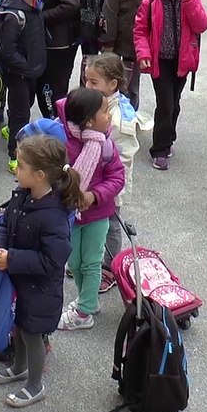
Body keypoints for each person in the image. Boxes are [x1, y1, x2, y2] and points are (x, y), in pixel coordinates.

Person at [0, 134, 83, 408]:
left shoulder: (54, 216)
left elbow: (52, 261)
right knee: (18, 327)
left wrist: (12, 258)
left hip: (41, 291)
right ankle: (19, 367)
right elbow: (5, 223)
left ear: (39, 175)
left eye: (21, 166)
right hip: (20, 282)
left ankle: (35, 385)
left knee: (32, 334)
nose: (16, 168)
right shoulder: (22, 194)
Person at [56, 87, 125, 332]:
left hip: (97, 214)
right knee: (74, 263)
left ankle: (85, 310)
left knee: (92, 262)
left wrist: (93, 195)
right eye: (105, 112)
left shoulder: (105, 144)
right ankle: (88, 300)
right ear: (88, 120)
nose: (109, 117)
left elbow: (117, 178)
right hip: (70, 215)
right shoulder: (63, 142)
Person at [133, 0, 207, 171]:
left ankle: (169, 135)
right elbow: (140, 30)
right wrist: (144, 55)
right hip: (161, 61)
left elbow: (201, 25)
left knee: (174, 103)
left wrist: (191, 3)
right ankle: (160, 149)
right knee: (165, 103)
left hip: (182, 61)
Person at [82, 52, 139, 287]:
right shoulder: (94, 104)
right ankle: (88, 262)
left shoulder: (120, 116)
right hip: (93, 177)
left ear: (113, 84)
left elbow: (124, 155)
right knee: (89, 220)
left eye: (94, 82)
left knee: (111, 224)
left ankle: (110, 267)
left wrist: (116, 188)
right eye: (87, 80)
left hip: (112, 181)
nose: (88, 85)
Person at [16, 0, 81, 118]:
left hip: (59, 44)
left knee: (53, 91)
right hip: (53, 42)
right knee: (48, 88)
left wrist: (41, 18)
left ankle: (57, 131)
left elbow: (71, 2)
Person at [0, 0, 49, 171]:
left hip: (31, 69)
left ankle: (12, 129)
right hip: (19, 72)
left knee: (25, 104)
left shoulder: (33, 4)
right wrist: (27, 67)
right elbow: (8, 51)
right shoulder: (14, 14)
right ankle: (14, 156)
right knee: (21, 113)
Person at [100, 0, 155, 108]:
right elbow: (110, 13)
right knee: (114, 84)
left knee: (132, 87)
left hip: (141, 46)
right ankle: (112, 118)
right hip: (119, 44)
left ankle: (130, 118)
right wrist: (108, 44)